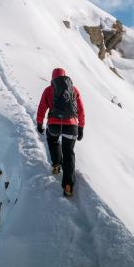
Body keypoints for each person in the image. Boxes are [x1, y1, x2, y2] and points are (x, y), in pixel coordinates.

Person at [36, 68, 85, 197]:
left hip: (54, 125)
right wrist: (81, 127)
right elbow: (80, 110)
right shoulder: (73, 90)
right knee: (68, 153)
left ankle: (57, 164)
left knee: (53, 141)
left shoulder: (48, 90)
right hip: (72, 126)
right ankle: (68, 186)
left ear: (53, 78)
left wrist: (39, 123)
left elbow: (42, 107)